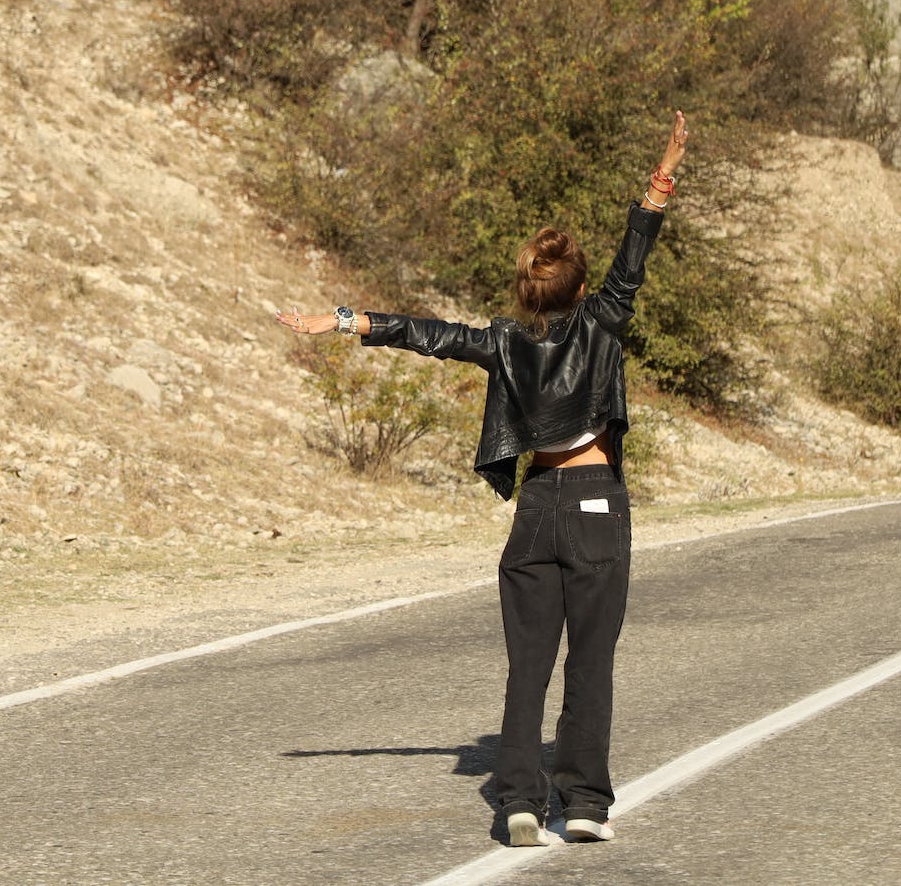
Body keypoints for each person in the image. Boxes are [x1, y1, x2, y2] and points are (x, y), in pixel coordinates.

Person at [275, 111, 689, 848]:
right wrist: (660, 182)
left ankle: (521, 802)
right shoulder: (602, 322)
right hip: (597, 506)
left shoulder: (502, 341)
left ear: (528, 293)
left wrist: (342, 319)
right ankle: (586, 802)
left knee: (527, 666)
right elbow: (636, 256)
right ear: (583, 287)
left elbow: (426, 334)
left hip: (536, 507)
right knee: (590, 661)